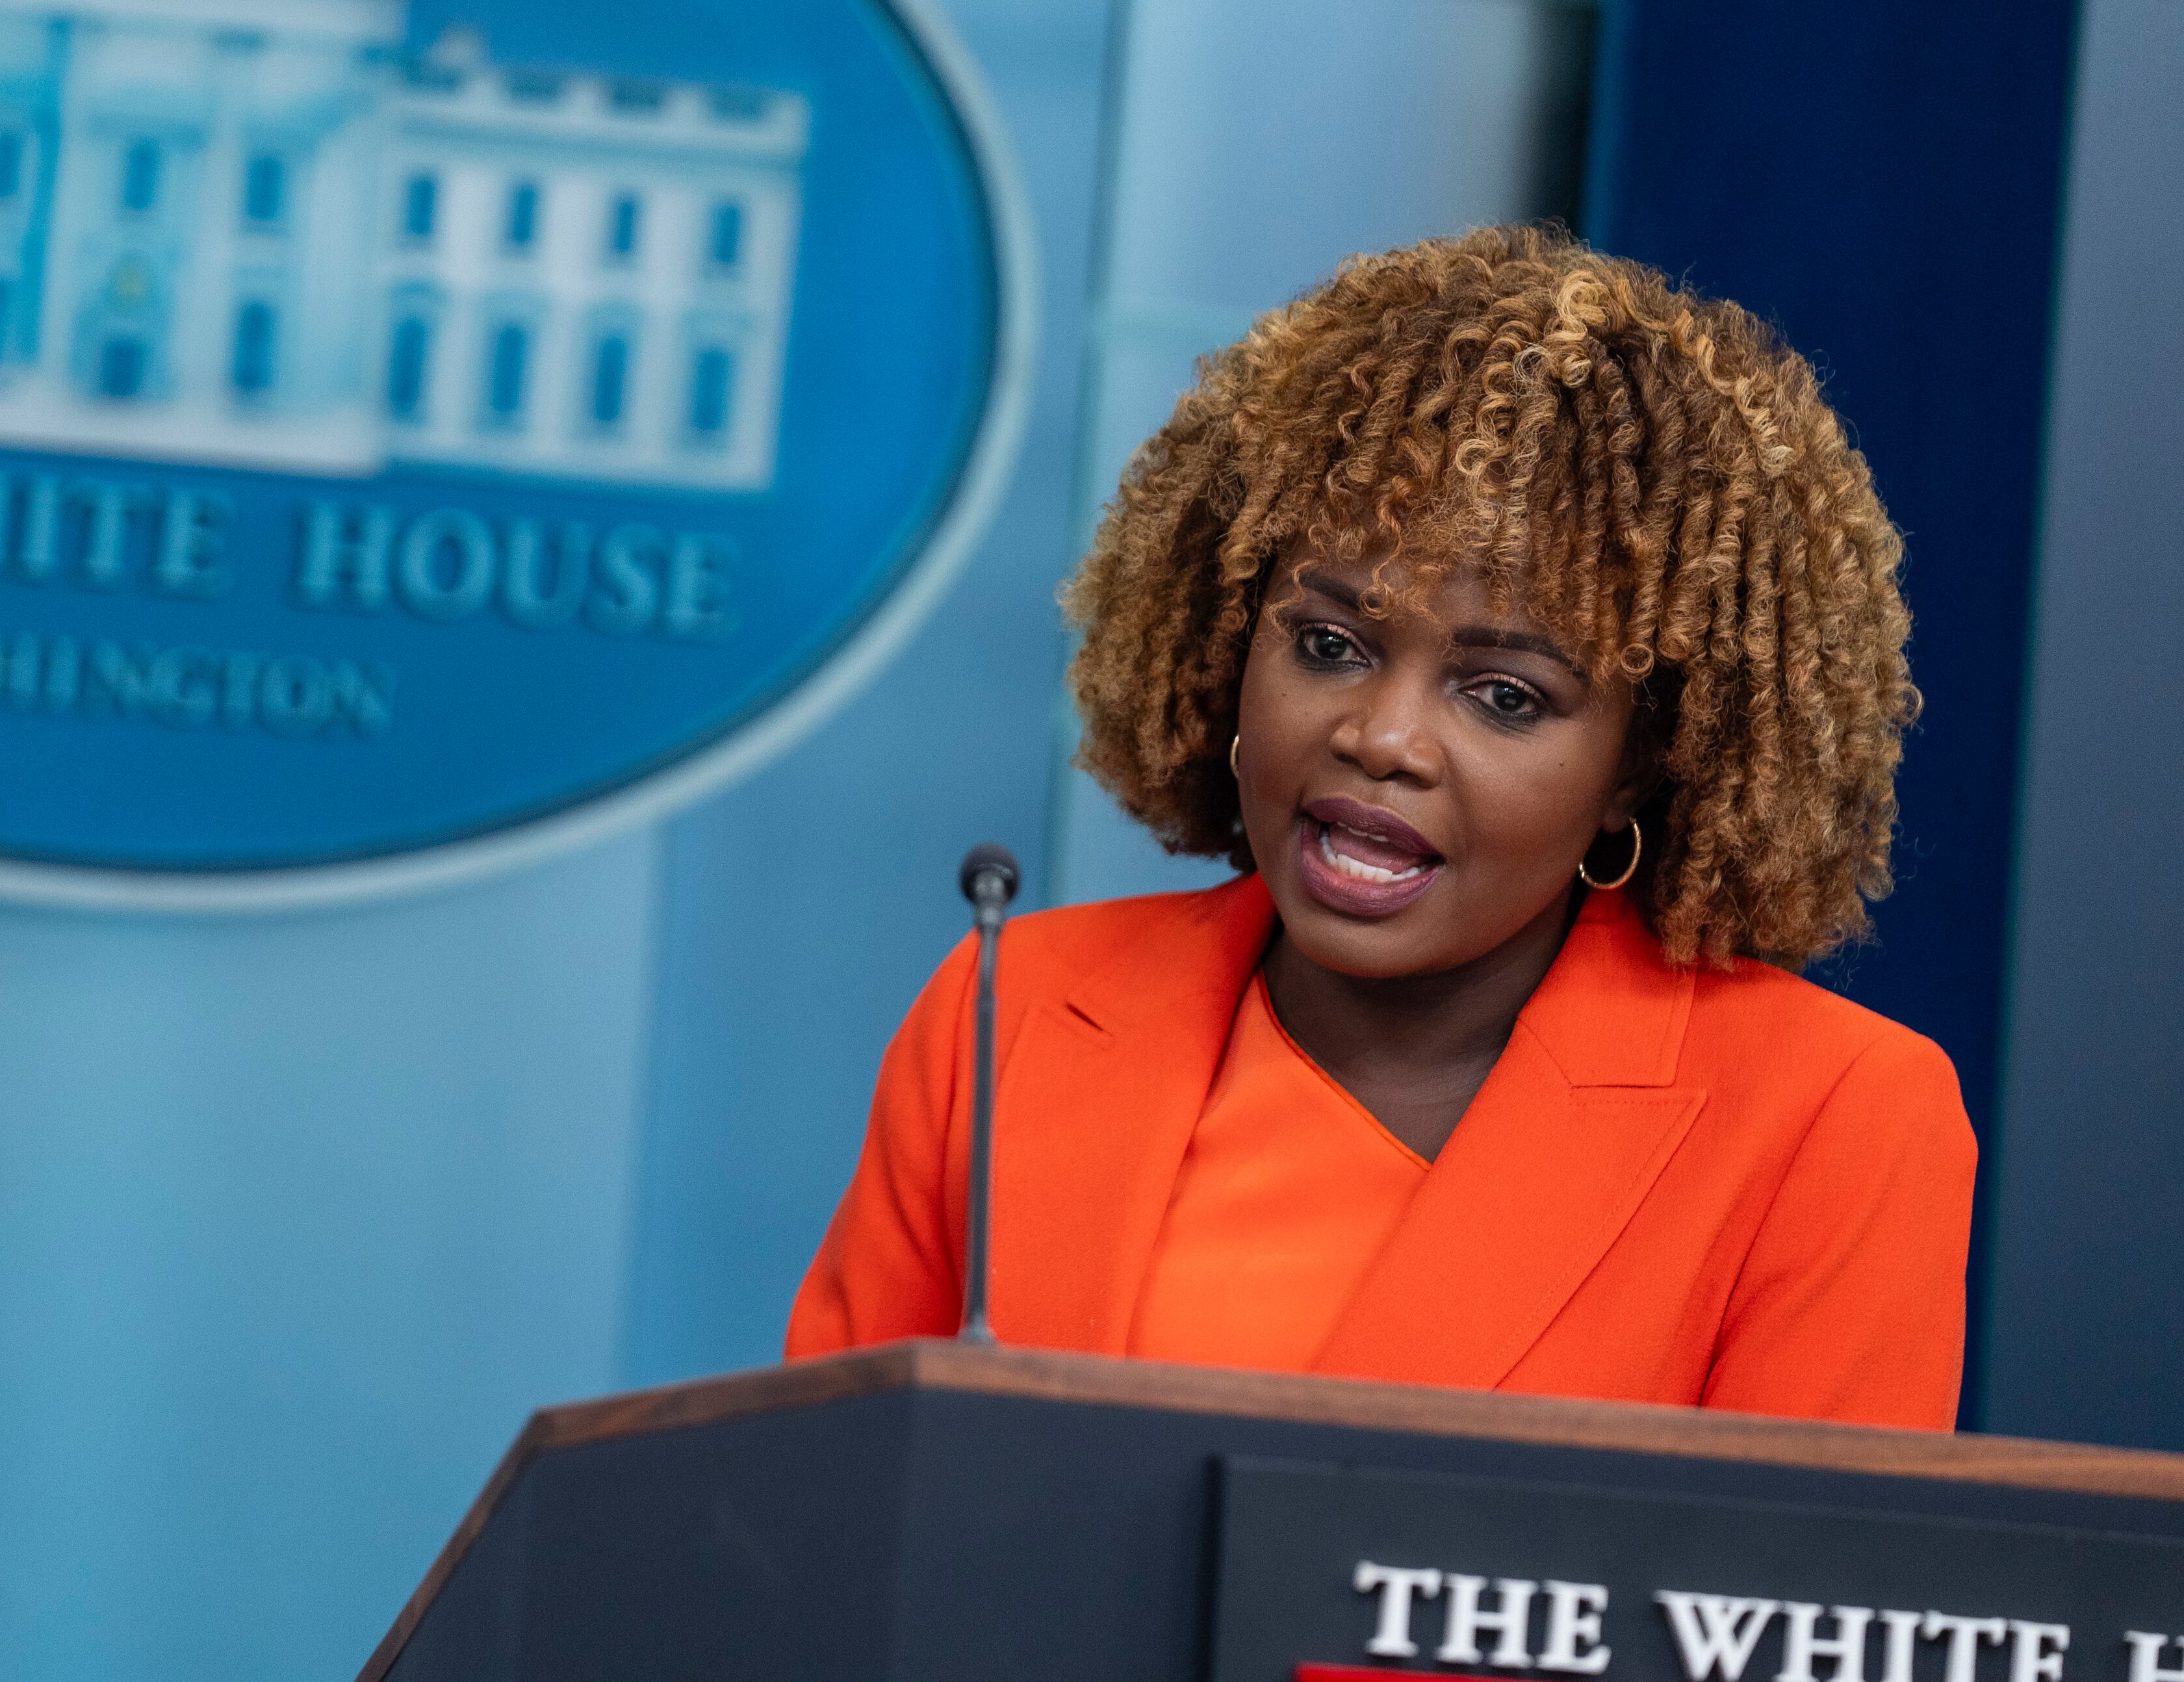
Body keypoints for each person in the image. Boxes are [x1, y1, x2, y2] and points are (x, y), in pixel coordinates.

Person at [788, 225, 1974, 1429]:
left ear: (1640, 768)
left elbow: (1785, 1607)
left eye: (1505, 695)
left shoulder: (1834, 1120)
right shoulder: (1012, 1012)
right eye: (1330, 645)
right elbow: (814, 1522)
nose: (1382, 736)